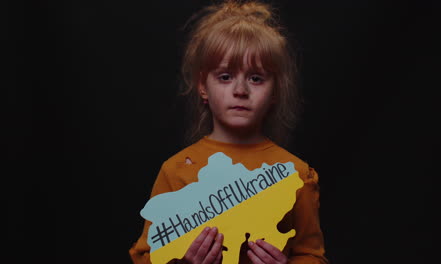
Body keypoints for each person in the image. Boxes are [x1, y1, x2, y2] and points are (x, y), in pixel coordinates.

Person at [129, 1, 328, 263]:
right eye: (225, 77)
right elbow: (145, 255)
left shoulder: (296, 174)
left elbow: (312, 256)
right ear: (203, 86)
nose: (240, 90)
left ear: (275, 92)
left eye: (256, 78)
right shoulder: (176, 170)